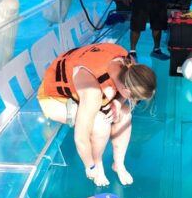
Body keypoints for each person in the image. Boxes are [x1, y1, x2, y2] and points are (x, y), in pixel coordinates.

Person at [38, 42, 156, 186]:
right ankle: (98, 163)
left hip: (84, 87)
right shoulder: (92, 90)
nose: (134, 101)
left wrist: (118, 102)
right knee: (100, 123)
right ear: (127, 90)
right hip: (56, 98)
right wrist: (90, 166)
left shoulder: (129, 63)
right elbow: (81, 138)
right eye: (135, 99)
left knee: (125, 114)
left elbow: (123, 95)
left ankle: (118, 164)